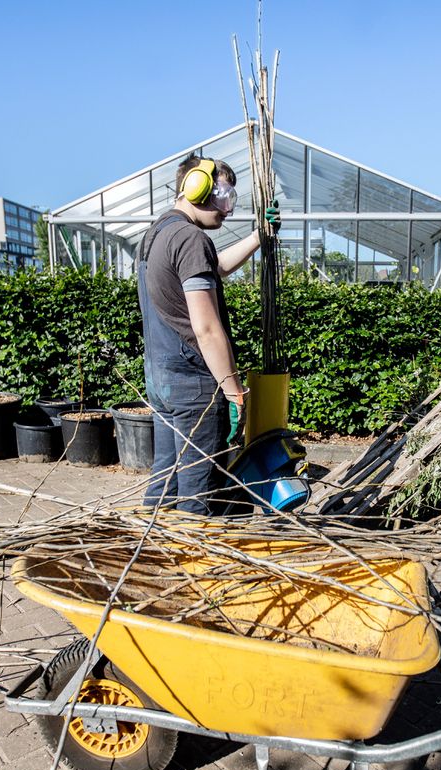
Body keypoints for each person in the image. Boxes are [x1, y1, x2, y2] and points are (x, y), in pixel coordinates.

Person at [136, 155, 277, 515]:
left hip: (163, 383)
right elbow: (207, 328)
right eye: (224, 195)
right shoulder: (189, 238)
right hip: (193, 388)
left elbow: (214, 268)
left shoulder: (158, 234)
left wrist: (258, 237)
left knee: (165, 482)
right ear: (197, 187)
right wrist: (235, 394)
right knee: (200, 494)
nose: (228, 209)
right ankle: (195, 566)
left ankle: (154, 559)